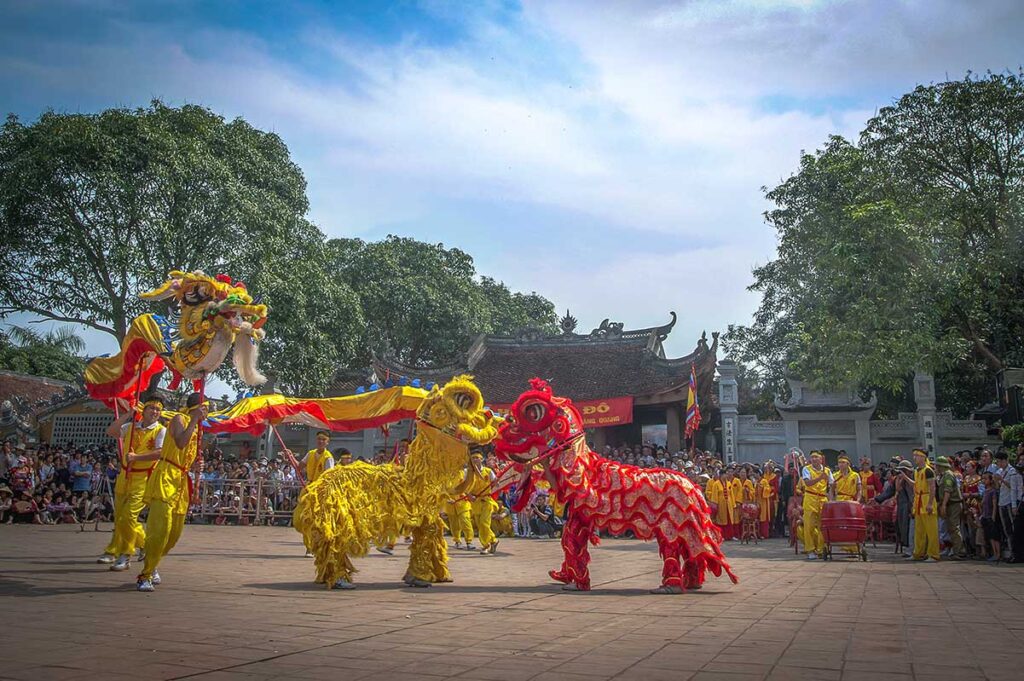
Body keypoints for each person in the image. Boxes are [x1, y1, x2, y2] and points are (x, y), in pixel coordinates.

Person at [136, 393, 208, 592]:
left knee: (174, 534)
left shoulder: (198, 430)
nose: (207, 413)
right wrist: (193, 419)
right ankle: (145, 575)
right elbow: (180, 443)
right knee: (161, 529)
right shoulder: (179, 419)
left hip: (181, 482)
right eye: (205, 408)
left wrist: (196, 466)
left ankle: (153, 560)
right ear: (196, 408)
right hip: (166, 476)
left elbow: (186, 457)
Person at [98, 398, 167, 570]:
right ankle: (141, 544)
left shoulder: (160, 430)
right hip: (124, 476)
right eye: (151, 408)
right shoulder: (131, 427)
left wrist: (137, 457)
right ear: (143, 410)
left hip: (143, 478)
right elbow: (111, 431)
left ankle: (126, 554)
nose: (155, 412)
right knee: (120, 518)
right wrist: (128, 414)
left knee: (128, 517)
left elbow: (160, 453)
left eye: (158, 409)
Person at [465, 451, 499, 555]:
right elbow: (465, 486)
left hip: (486, 500)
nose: (475, 459)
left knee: (484, 522)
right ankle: (493, 541)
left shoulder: (488, 471)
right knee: (480, 525)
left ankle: (485, 546)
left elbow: (496, 483)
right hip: (475, 501)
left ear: (482, 459)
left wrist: (495, 483)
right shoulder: (469, 473)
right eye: (473, 458)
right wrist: (469, 495)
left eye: (477, 457)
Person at [801, 451, 833, 559]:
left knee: (822, 526)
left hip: (823, 499)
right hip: (810, 498)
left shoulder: (827, 470)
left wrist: (831, 498)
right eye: (812, 457)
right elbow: (807, 483)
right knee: (809, 526)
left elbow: (832, 484)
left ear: (821, 459)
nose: (813, 459)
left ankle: (820, 549)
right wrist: (820, 478)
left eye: (816, 457)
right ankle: (810, 550)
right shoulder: (806, 469)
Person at [909, 449, 939, 562]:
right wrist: (905, 477)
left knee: (931, 530)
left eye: (917, 455)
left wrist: (930, 503)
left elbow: (932, 487)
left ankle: (933, 554)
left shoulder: (928, 471)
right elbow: (915, 485)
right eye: (914, 455)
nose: (915, 458)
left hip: (927, 499)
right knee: (919, 530)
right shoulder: (916, 471)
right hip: (918, 501)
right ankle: (918, 553)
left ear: (923, 457)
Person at [993, 450, 1022, 561]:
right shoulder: (999, 471)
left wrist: (1002, 480)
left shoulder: (1012, 471)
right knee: (1006, 529)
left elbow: (1013, 486)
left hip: (1010, 501)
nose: (999, 464)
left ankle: (1016, 552)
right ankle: (1010, 552)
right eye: (997, 462)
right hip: (1002, 502)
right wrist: (996, 481)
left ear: (1005, 460)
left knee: (1013, 527)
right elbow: (997, 487)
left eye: (1000, 461)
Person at [935, 456, 966, 560]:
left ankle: (959, 551)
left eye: (937, 466)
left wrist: (943, 505)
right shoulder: (943, 476)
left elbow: (947, 491)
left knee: (954, 527)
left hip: (953, 504)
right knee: (950, 528)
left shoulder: (948, 475)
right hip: (949, 504)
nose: (936, 467)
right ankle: (954, 550)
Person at [705, 469, 733, 540]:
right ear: (721, 475)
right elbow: (714, 495)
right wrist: (715, 504)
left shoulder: (729, 483)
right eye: (725, 474)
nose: (726, 476)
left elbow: (731, 494)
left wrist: (733, 504)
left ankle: (729, 536)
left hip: (728, 503)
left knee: (729, 518)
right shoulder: (716, 484)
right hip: (720, 504)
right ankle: (721, 536)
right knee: (721, 519)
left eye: (726, 474)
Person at [757, 462, 778, 539]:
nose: (767, 469)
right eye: (766, 468)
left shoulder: (774, 476)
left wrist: (770, 493)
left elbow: (775, 487)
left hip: (772, 497)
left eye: (769, 468)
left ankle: (771, 531)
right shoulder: (763, 477)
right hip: (763, 498)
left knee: (771, 514)